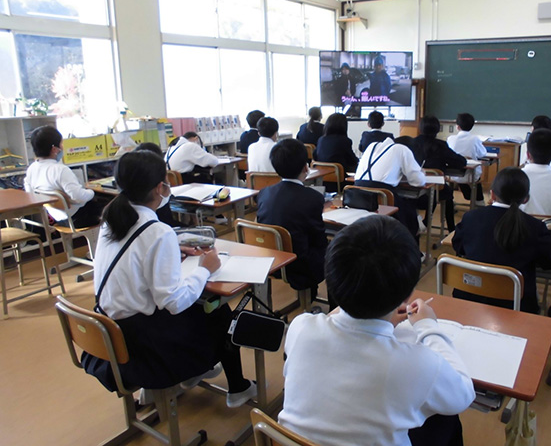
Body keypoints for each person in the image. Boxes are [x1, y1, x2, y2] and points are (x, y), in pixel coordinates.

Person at [278, 215, 475, 446]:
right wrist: (427, 326)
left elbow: (336, 324)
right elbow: (463, 395)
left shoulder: (300, 327)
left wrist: (379, 317)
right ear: (408, 295)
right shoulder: (418, 365)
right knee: (445, 419)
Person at [90, 150, 256, 407]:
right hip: (142, 345)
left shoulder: (112, 218)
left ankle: (194, 375)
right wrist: (205, 268)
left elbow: (133, 258)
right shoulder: (157, 232)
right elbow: (174, 302)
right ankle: (237, 388)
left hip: (110, 328)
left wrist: (171, 248)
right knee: (219, 313)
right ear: (160, 187)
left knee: (201, 310)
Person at [452, 167, 551, 314]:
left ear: (492, 194)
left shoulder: (471, 217)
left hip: (470, 299)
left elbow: (459, 246)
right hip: (516, 305)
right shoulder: (534, 226)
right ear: (526, 198)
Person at [256, 139, 328, 303]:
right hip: (299, 264)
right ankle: (328, 307)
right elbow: (319, 238)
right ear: (305, 167)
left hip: (270, 259)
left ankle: (309, 297)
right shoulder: (313, 198)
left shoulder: (264, 193)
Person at [24, 125, 102, 228]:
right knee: (110, 203)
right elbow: (78, 196)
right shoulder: (60, 170)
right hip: (78, 218)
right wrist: (92, 191)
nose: (62, 147)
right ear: (55, 149)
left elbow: (30, 193)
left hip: (58, 218)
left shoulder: (32, 169)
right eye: (61, 143)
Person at [355, 135, 427, 239]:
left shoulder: (372, 145)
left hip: (357, 194)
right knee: (410, 214)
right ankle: (412, 249)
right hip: (383, 198)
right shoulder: (402, 149)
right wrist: (421, 173)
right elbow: (419, 181)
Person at [411, 116, 467, 233]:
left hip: (412, 190)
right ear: (437, 129)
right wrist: (444, 166)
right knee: (447, 192)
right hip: (433, 191)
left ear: (420, 128)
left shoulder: (411, 143)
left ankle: (424, 222)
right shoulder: (440, 145)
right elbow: (460, 162)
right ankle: (451, 229)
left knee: (438, 190)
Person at [447, 113, 487, 205]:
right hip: (470, 176)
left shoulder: (451, 139)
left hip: (452, 175)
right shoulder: (474, 139)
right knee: (474, 176)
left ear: (457, 127)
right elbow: (483, 153)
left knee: (461, 173)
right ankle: (479, 202)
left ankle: (451, 203)